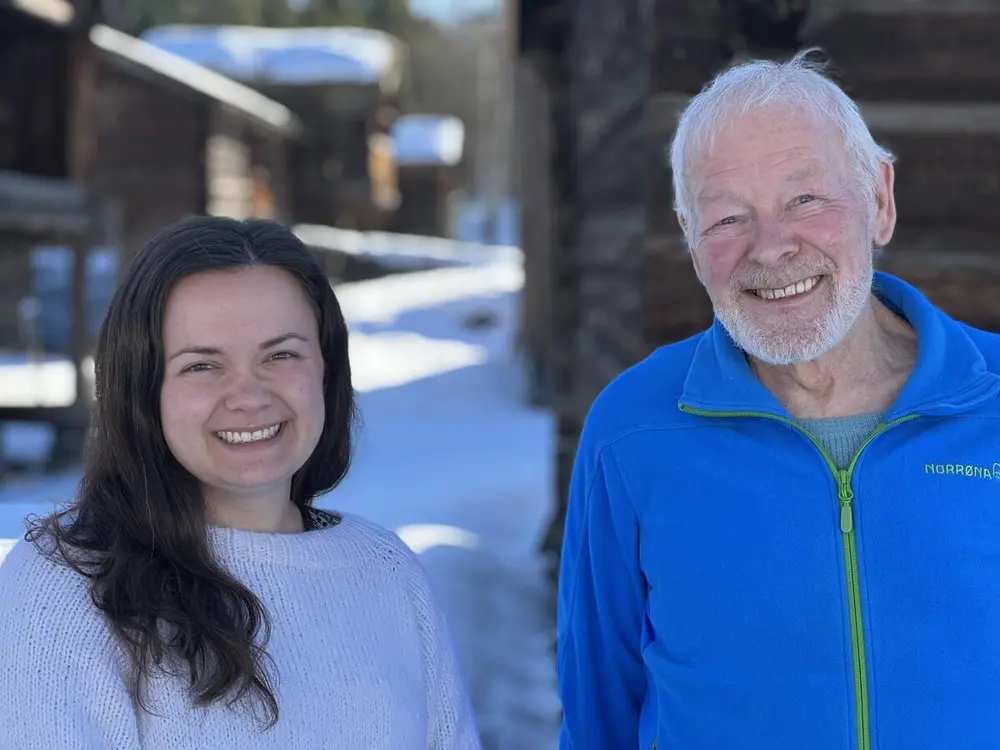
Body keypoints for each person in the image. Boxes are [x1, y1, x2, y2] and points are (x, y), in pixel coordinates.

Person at [557, 49, 1000, 750]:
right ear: (690, 240)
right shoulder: (633, 431)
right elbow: (597, 716)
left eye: (805, 200)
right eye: (729, 218)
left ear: (880, 201)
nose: (770, 248)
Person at [0, 217, 482, 749]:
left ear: (326, 370)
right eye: (202, 366)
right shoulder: (65, 586)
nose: (249, 396)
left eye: (280, 355)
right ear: (142, 389)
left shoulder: (387, 571)